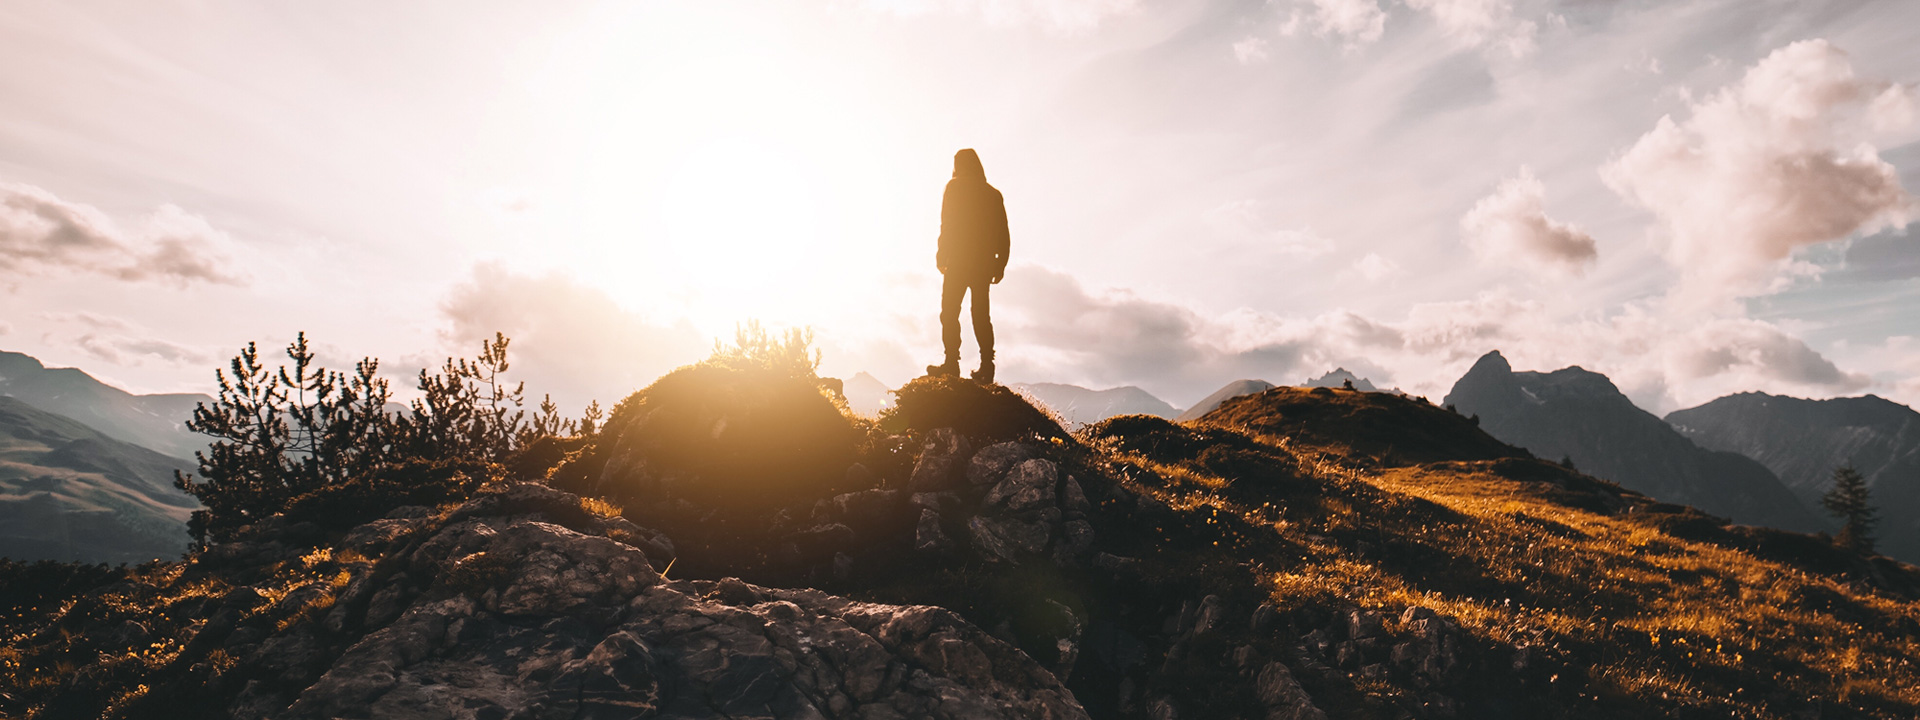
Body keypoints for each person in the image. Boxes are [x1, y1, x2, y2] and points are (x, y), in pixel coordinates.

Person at [928, 148, 1009, 384]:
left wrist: (941, 253)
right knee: (981, 315)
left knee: (949, 312)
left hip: (959, 261)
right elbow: (1003, 231)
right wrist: (1000, 263)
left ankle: (951, 363)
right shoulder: (993, 194)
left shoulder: (954, 187)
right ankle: (987, 366)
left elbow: (948, 223)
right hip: (984, 263)